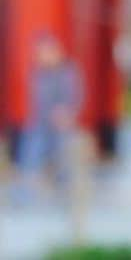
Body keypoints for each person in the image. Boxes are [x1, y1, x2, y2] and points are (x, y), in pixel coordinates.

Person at [19, 31, 83, 188]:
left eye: (45, 52)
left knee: (65, 146)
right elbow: (37, 102)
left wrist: (66, 112)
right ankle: (29, 183)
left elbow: (75, 97)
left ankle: (66, 184)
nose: (41, 57)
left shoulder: (68, 71)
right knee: (31, 147)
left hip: (62, 124)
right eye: (38, 53)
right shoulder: (37, 73)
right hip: (40, 122)